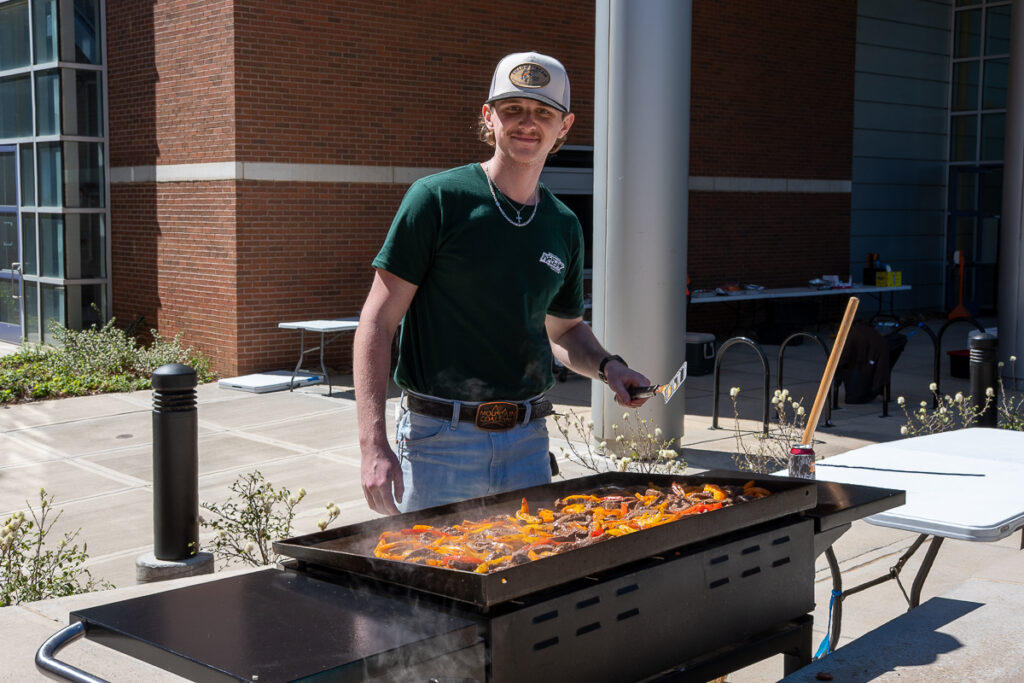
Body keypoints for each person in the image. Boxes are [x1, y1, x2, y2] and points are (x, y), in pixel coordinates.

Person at [354, 51, 652, 515]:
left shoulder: (563, 224)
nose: (527, 123)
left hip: (527, 445)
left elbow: (564, 330)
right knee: (431, 579)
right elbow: (377, 321)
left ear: (564, 126)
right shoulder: (437, 200)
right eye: (512, 109)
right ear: (488, 116)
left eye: (543, 112)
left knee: (524, 576)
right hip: (438, 446)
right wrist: (372, 445)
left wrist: (609, 367)